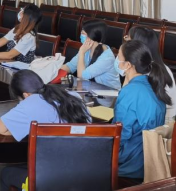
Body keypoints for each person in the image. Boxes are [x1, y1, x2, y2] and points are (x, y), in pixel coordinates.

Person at [0, 70, 91, 191]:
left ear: (25, 95)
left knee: (7, 173)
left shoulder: (30, 101)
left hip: (52, 178)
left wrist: (26, 129)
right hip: (87, 172)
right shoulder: (74, 96)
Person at [114, 40, 170, 181]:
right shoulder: (154, 86)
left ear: (128, 65)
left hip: (130, 163)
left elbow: (120, 135)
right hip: (150, 159)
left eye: (118, 57)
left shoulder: (130, 92)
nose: (117, 61)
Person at [125, 26, 176, 123]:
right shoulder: (159, 65)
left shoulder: (146, 70)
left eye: (128, 40)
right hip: (155, 118)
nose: (126, 44)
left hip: (160, 123)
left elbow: (129, 101)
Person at [61, 19, 121, 90]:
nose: (80, 35)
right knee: (62, 83)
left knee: (67, 87)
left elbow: (81, 76)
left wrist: (81, 53)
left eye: (83, 33)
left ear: (91, 36)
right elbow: (70, 66)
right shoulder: (87, 49)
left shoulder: (107, 57)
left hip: (108, 92)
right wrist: (53, 69)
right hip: (91, 86)